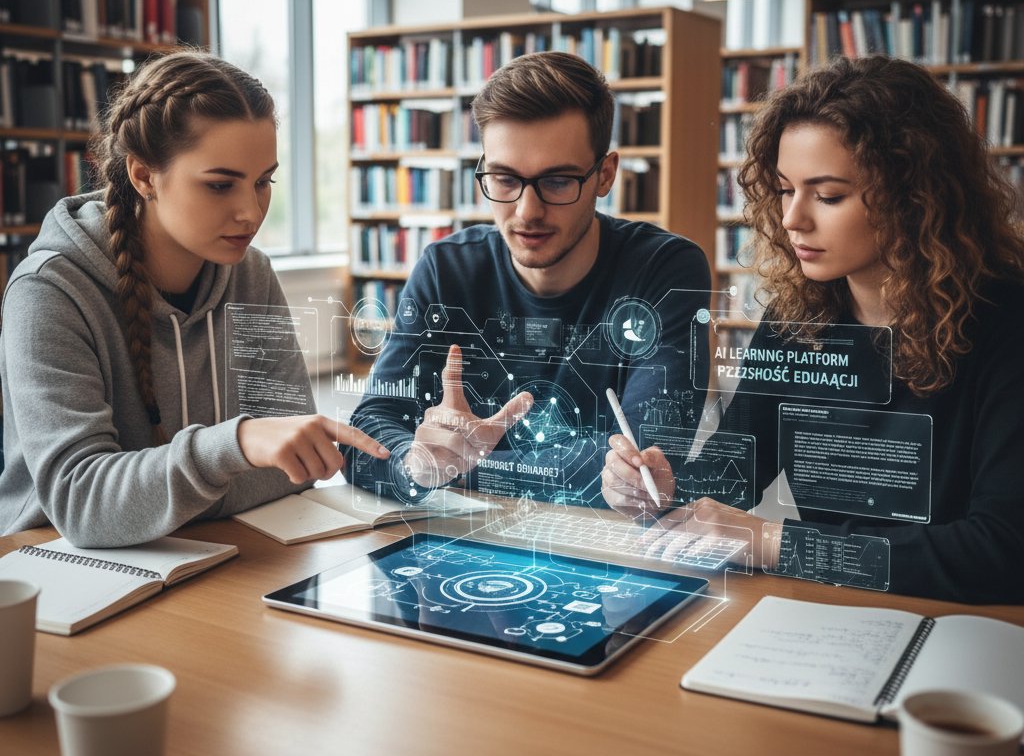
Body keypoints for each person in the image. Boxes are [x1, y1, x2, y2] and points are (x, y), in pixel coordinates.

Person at [603, 55, 1024, 603]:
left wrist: (774, 542)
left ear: (916, 197)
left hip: (956, 628)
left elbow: (1002, 550)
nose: (793, 219)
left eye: (827, 196)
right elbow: (736, 470)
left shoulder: (1006, 324)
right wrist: (662, 487)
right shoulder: (798, 318)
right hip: (826, 611)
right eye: (783, 189)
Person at [0, 50, 388, 548]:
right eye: (220, 185)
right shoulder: (50, 291)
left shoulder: (250, 273)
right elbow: (81, 505)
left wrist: (165, 495)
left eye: (264, 182)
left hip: (208, 556)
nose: (251, 212)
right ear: (143, 176)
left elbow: (298, 464)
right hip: (59, 569)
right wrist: (236, 447)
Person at [347, 51, 711, 508]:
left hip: (602, 554)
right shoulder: (447, 268)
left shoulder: (667, 269)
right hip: (465, 541)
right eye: (503, 179)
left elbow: (649, 461)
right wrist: (415, 462)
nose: (526, 211)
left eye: (557, 182)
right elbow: (364, 435)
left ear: (605, 174)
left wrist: (475, 461)